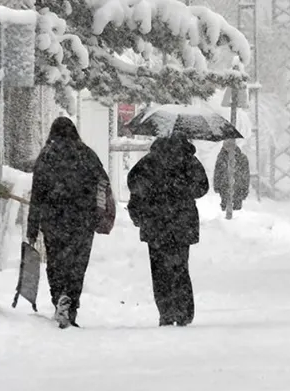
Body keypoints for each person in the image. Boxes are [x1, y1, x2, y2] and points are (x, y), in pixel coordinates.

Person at [26, 117, 110, 329]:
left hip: (53, 219)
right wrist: (98, 210)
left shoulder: (46, 156)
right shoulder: (86, 154)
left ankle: (59, 298)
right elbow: (102, 181)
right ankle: (71, 303)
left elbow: (37, 194)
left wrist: (32, 227)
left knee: (55, 262)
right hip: (82, 219)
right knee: (77, 264)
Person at [128, 133, 209, 326]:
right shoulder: (189, 161)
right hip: (181, 222)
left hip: (155, 223)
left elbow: (134, 184)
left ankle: (166, 312)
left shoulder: (149, 161)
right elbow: (202, 188)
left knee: (159, 270)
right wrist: (180, 189)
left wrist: (146, 203)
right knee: (180, 267)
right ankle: (184, 312)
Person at [213, 143, 250, 212]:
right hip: (225, 187)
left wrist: (245, 189)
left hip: (238, 189)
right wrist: (217, 186)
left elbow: (246, 176)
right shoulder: (221, 158)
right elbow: (217, 172)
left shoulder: (242, 158)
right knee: (225, 211)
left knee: (237, 212)